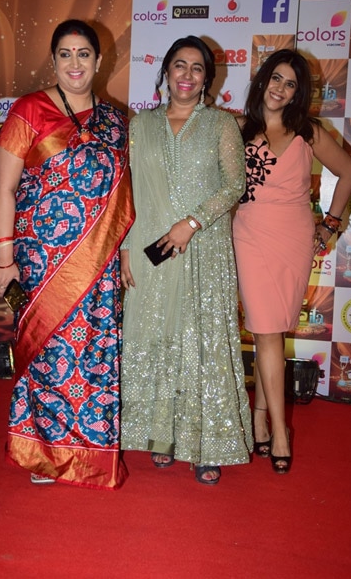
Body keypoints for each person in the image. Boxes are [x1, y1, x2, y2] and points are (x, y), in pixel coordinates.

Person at [0, 19, 135, 489]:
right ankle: (43, 454)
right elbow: (5, 189)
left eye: (84, 54)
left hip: (99, 261)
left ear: (98, 60)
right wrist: (4, 257)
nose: (75, 63)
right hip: (42, 259)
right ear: (53, 61)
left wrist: (126, 250)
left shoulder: (114, 121)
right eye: (66, 54)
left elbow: (125, 196)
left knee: (93, 351)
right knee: (50, 354)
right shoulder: (29, 110)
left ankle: (88, 452)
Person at [120, 35, 253, 485]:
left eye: (197, 69)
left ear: (207, 79)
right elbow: (129, 192)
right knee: (156, 337)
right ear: (166, 72)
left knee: (201, 344)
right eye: (180, 65)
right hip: (150, 250)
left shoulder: (221, 125)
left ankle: (207, 445)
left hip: (204, 251)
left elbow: (234, 184)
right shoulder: (140, 126)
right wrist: (124, 251)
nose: (187, 75)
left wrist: (191, 224)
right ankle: (162, 438)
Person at [232, 49, 351, 474]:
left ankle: (260, 421)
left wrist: (331, 223)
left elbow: (350, 173)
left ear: (297, 93)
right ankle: (279, 431)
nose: (280, 89)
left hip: (294, 238)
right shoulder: (236, 128)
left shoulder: (308, 131)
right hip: (249, 234)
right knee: (267, 331)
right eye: (275, 79)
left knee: (275, 329)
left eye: (290, 84)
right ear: (262, 79)